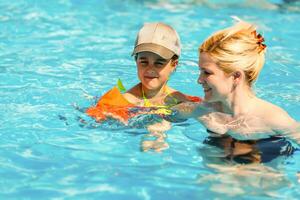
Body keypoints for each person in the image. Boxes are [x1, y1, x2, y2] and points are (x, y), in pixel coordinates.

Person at [170, 20, 299, 163]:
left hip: (262, 172)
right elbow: (162, 114)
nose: (199, 80)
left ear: (236, 76)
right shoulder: (204, 111)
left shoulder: (272, 118)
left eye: (206, 72)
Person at [86, 22, 201, 152]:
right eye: (144, 62)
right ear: (136, 61)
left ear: (174, 64)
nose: (150, 69)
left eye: (159, 63)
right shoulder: (115, 102)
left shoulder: (185, 102)